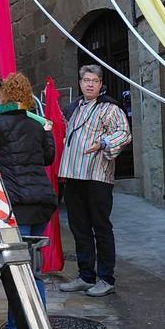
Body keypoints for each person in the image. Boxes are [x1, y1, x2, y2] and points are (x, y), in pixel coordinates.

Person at [0, 72, 56, 329]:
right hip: (43, 202)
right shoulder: (36, 126)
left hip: (17, 204)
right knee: (32, 271)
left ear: (3, 95)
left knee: (17, 272)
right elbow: (48, 157)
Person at [57, 64, 132, 297]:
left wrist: (103, 143)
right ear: (80, 83)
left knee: (101, 227)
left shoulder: (109, 108)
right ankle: (86, 276)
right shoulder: (74, 108)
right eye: (86, 80)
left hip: (97, 175)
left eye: (94, 81)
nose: (90, 84)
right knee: (79, 228)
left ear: (101, 85)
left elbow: (124, 133)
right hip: (73, 174)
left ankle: (106, 278)